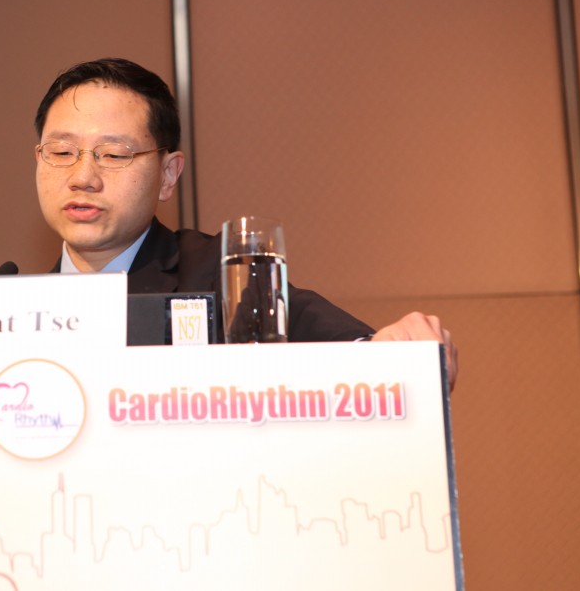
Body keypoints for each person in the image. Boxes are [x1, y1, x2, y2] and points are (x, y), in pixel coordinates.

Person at [33, 57, 458, 386]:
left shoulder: (219, 275)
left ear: (168, 176)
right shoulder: (14, 311)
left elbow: (352, 353)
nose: (83, 177)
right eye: (62, 152)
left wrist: (399, 352)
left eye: (113, 154)